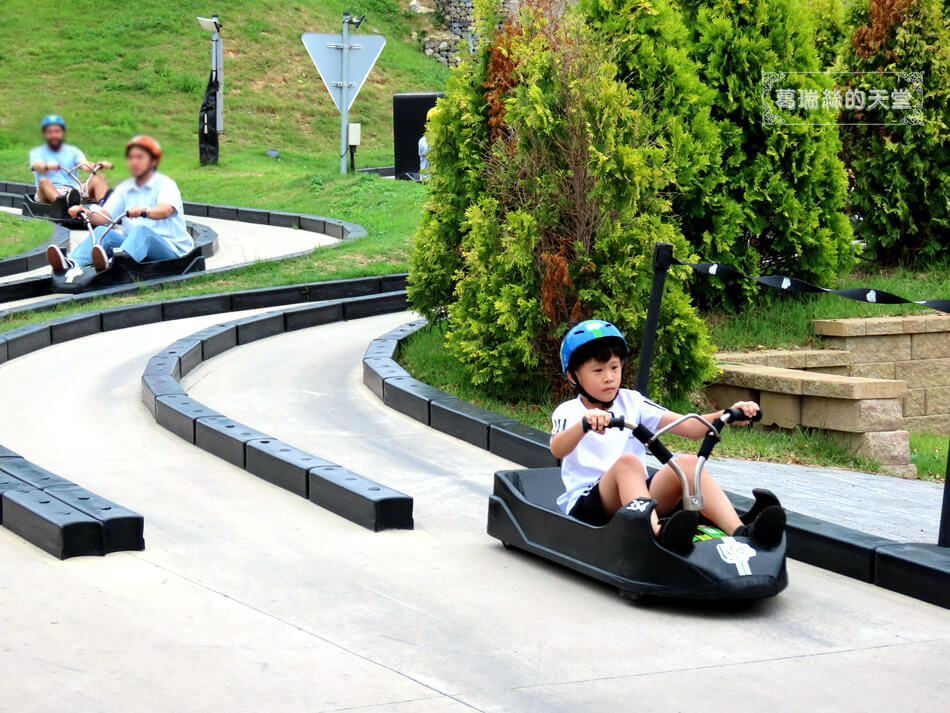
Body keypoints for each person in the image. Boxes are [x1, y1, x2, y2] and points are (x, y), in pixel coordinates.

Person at [550, 319, 786, 553]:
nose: (609, 377)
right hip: (590, 505)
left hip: (637, 499)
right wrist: (584, 425)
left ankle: (741, 531)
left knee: (688, 463)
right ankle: (654, 534)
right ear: (574, 376)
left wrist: (728, 413)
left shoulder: (631, 401)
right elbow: (558, 449)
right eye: (598, 370)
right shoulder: (570, 412)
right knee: (628, 463)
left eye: (614, 367)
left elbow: (689, 427)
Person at [48, 135, 193, 273]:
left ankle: (112, 266)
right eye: (131, 158)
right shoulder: (125, 188)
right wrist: (85, 213)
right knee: (102, 232)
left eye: (140, 157)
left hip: (172, 249)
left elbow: (165, 210)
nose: (134, 162)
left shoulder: (165, 184)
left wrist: (144, 211)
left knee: (142, 232)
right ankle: (72, 262)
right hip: (136, 245)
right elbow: (104, 217)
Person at [29, 115, 109, 204]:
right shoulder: (37, 152)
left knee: (99, 178)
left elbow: (84, 165)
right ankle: (65, 203)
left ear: (62, 133)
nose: (54, 135)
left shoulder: (73, 151)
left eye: (57, 131)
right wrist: (47, 166)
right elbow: (37, 165)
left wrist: (97, 165)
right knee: (44, 181)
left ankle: (105, 207)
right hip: (48, 191)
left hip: (73, 192)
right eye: (50, 132)